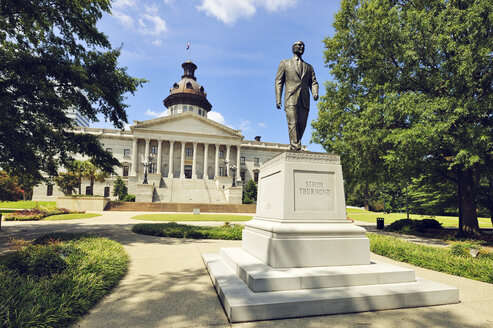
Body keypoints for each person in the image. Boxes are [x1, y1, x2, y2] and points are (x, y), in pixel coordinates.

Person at [275, 41, 319, 150]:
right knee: (292, 122)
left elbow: (313, 82)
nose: (302, 47)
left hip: (305, 99)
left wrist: (315, 92)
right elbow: (278, 81)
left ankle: (295, 145)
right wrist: (278, 99)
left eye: (303, 46)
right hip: (290, 97)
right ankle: (296, 147)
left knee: (301, 125)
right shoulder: (284, 63)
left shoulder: (309, 67)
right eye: (299, 45)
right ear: (293, 48)